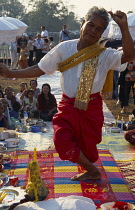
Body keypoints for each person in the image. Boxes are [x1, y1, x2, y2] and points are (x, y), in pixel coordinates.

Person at [0, 7, 134, 181]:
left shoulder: (105, 54)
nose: (93, 31)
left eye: (99, 29)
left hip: (91, 107)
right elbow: (40, 68)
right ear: (82, 24)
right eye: (91, 25)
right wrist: (11, 73)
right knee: (61, 140)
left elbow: (129, 55)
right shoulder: (64, 48)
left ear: (102, 33)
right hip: (68, 106)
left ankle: (89, 170)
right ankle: (93, 170)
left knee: (87, 147)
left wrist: (123, 27)